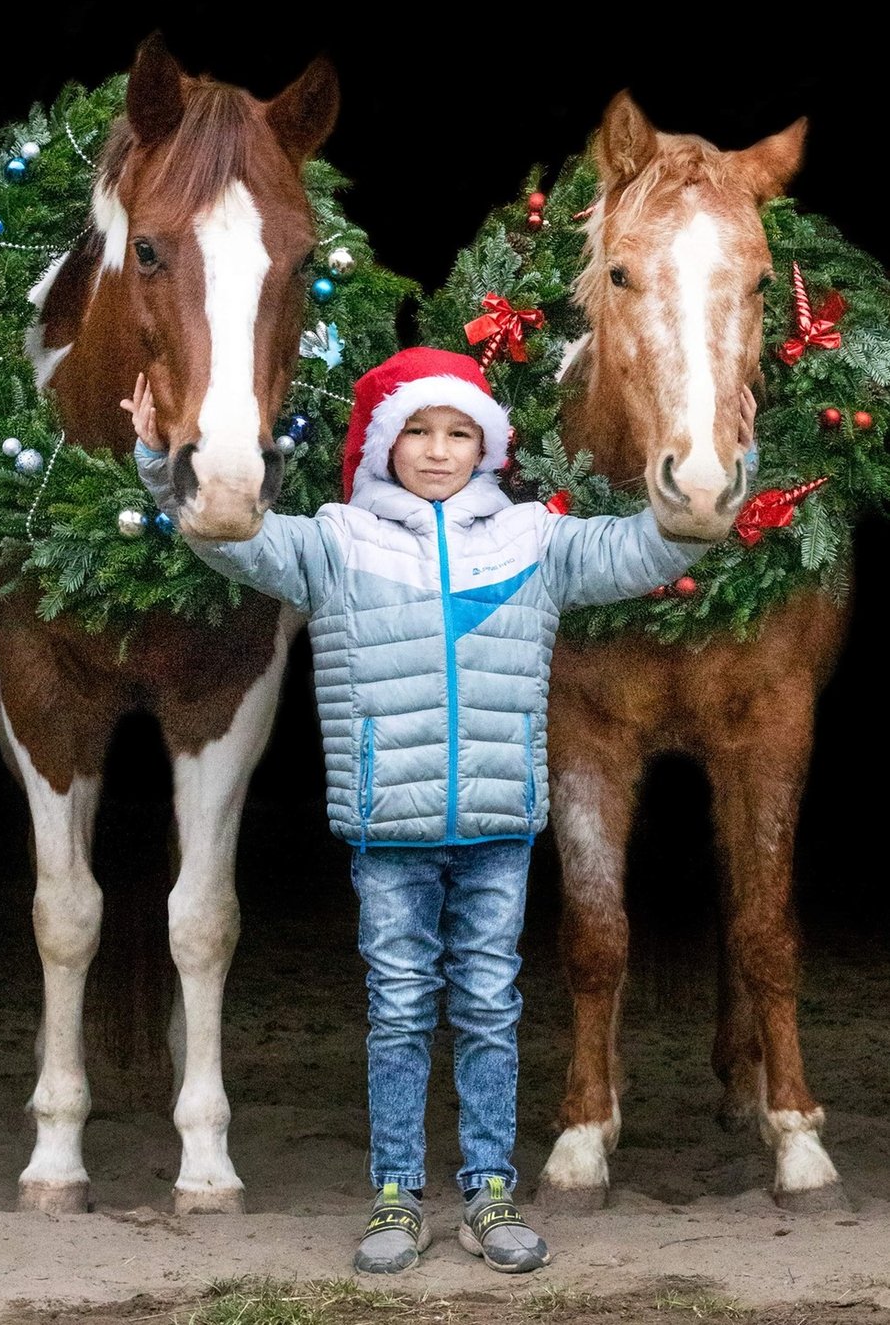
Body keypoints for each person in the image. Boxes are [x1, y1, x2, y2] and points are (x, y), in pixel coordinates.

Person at [122, 346, 757, 1277]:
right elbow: (228, 538)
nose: (436, 450)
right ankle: (396, 1199)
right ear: (382, 443)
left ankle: (490, 1193)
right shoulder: (334, 542)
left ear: (486, 447)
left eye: (458, 433)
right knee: (399, 1009)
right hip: (389, 830)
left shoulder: (537, 540)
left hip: (498, 826)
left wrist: (729, 471)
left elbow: (656, 547)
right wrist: (156, 463)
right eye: (416, 431)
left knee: (494, 1007)